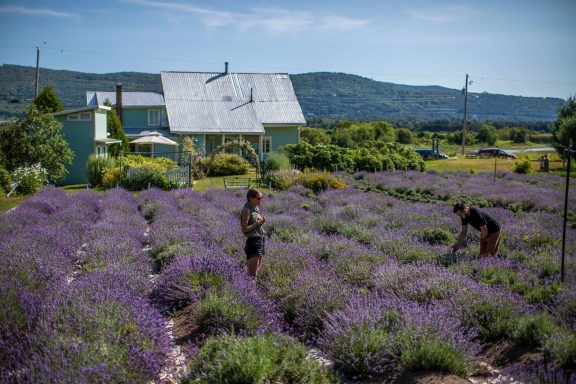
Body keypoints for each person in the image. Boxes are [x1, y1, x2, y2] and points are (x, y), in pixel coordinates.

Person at [241, 188, 266, 282]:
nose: (260, 200)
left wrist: (261, 222)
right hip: (253, 242)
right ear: (251, 198)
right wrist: (257, 223)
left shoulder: (256, 208)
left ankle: (251, 292)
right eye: (258, 198)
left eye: (261, 198)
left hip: (260, 240)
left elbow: (256, 226)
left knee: (256, 272)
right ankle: (250, 294)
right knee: (252, 275)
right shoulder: (247, 210)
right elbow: (244, 229)